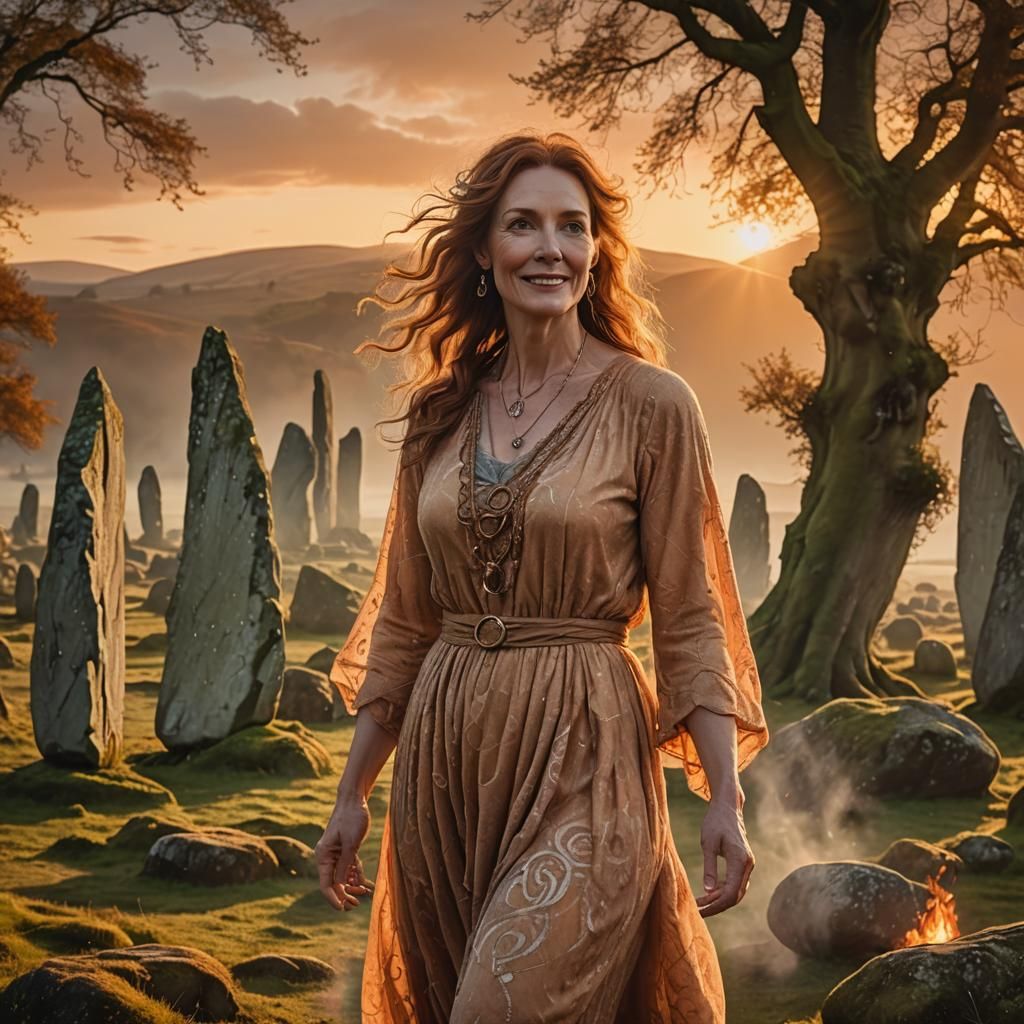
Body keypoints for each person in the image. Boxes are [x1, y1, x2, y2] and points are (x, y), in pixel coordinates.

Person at [315, 130, 770, 1024]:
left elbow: (690, 617)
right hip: (446, 765)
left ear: (598, 253)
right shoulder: (440, 411)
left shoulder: (652, 404)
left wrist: (725, 798)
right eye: (524, 225)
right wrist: (351, 796)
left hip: (586, 745)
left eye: (573, 226)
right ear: (484, 250)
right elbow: (406, 622)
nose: (551, 248)